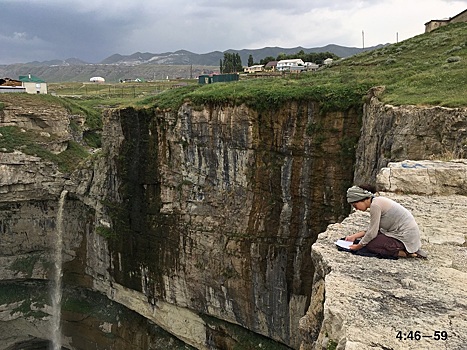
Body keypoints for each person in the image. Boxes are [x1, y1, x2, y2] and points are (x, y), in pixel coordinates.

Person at [345, 185, 427, 259]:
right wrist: (355, 236)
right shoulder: (377, 201)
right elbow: (374, 228)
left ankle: (404, 253)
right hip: (406, 235)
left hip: (405, 237)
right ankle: (408, 249)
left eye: (355, 205)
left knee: (371, 245)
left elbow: (372, 232)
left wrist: (358, 246)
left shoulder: (375, 206)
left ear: (361, 199)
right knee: (369, 239)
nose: (356, 209)